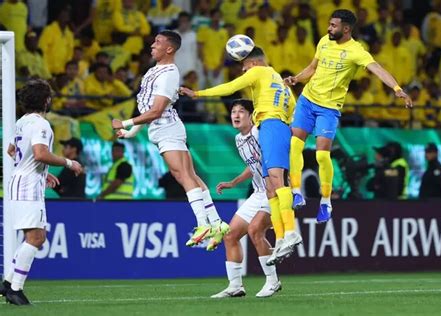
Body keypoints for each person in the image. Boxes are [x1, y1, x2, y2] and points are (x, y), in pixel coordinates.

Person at [284, 9, 413, 221]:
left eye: (333, 26)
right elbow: (313, 67)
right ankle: (296, 192)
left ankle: (325, 202)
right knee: (295, 143)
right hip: (307, 100)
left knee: (322, 155)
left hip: (329, 108)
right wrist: (297, 79)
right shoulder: (324, 41)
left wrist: (397, 88)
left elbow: (378, 69)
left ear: (346, 29)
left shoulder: (356, 51)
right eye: (329, 24)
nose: (328, 28)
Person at [179, 46, 302, 266]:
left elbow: (231, 87)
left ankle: (291, 232)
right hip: (278, 127)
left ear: (252, 63)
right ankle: (282, 236)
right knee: (271, 186)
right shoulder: (281, 84)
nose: (244, 71)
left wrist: (198, 93)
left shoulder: (259, 71)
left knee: (276, 181)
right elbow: (294, 113)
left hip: (271, 124)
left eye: (244, 66)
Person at [111, 30, 229, 250]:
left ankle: (202, 224)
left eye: (157, 42)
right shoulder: (154, 71)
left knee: (182, 175)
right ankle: (216, 222)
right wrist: (131, 133)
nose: (152, 45)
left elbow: (156, 111)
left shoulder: (168, 74)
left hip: (167, 128)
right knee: (190, 175)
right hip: (164, 128)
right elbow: (146, 107)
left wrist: (125, 123)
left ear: (170, 49)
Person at [0, 79, 82, 305]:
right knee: (36, 237)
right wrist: (68, 162)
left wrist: (43, 173)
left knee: (35, 236)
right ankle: (15, 289)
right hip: (27, 185)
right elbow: (40, 153)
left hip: (21, 181)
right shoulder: (40, 124)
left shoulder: (22, 122)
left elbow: (11, 150)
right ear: (46, 100)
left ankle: (7, 283)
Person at [212, 99, 280, 298]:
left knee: (255, 230)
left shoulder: (260, 133)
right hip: (258, 192)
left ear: (251, 116)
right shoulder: (238, 139)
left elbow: (277, 157)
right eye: (233, 111)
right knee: (230, 235)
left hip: (275, 191)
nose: (236, 115)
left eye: (242, 111)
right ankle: (235, 286)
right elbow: (252, 166)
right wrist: (234, 182)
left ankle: (273, 281)